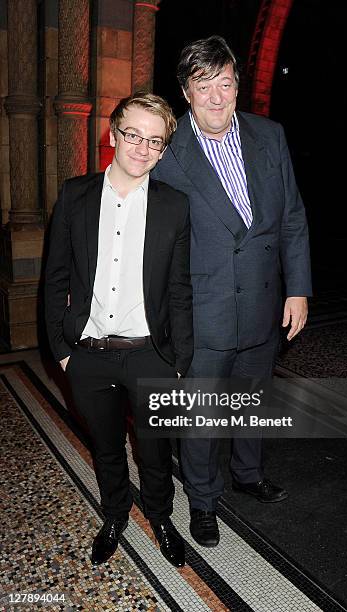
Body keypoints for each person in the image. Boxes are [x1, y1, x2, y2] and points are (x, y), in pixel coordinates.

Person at [152, 35, 312, 547]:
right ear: (186, 91)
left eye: (225, 83)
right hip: (205, 307)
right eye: (204, 85)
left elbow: (291, 218)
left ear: (238, 85)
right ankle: (202, 500)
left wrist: (299, 289)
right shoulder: (169, 152)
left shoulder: (270, 135)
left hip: (265, 300)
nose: (216, 97)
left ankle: (248, 474)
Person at [45, 92, 193, 568]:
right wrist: (63, 351)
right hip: (88, 353)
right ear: (113, 135)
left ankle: (161, 516)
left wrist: (179, 361)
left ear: (163, 149)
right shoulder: (74, 195)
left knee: (155, 450)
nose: (142, 147)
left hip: (152, 354)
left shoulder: (175, 206)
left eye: (155, 140)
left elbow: (179, 288)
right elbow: (55, 278)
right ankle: (114, 514)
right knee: (106, 446)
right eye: (133, 134)